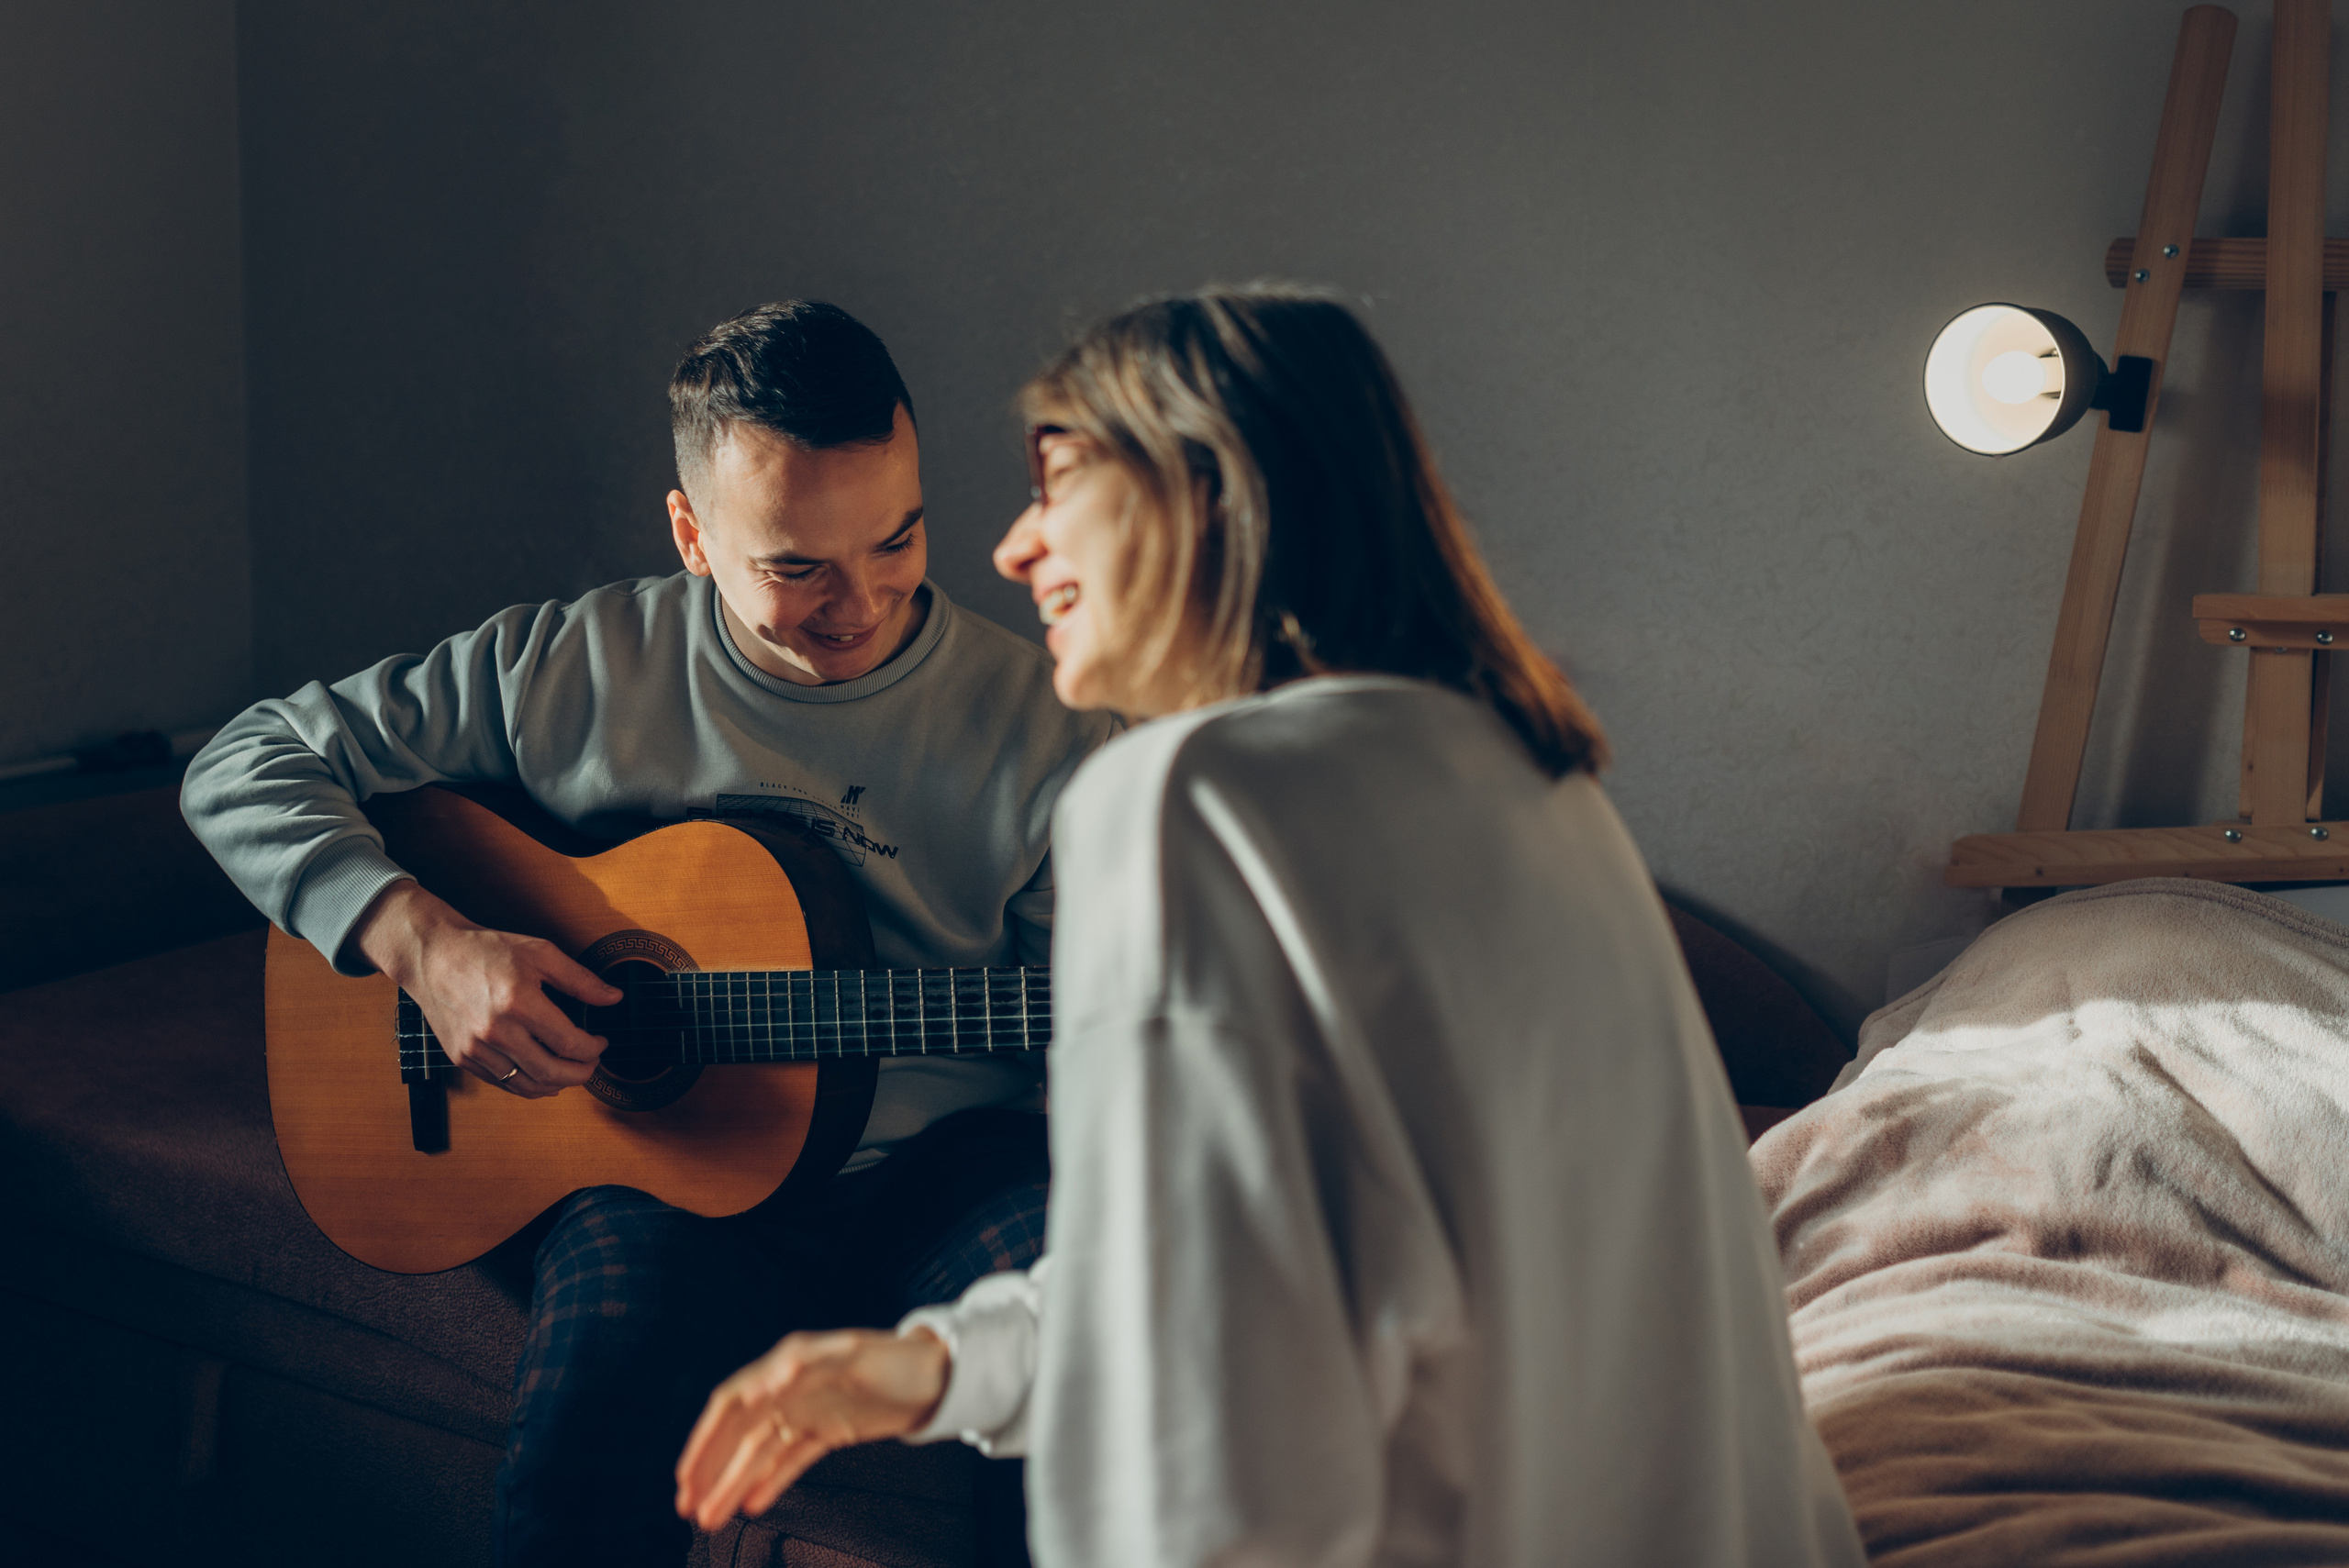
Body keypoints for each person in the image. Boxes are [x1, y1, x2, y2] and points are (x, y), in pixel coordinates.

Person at [672, 286, 1865, 1566]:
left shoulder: (1188, 791)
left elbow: (1212, 1408)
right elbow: (1230, 1262)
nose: (1013, 550)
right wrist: (940, 1366)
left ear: (1200, 501)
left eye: (1057, 485)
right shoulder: (1533, 782)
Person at [181, 301, 1114, 1566]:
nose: (861, 603)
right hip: (661, 1170)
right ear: (692, 536)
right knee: (589, 1446)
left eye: (897, 538)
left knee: (1096, 1372)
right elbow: (243, 760)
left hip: (946, 1177)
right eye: (797, 567)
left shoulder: (1052, 729)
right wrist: (424, 943)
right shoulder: (570, 666)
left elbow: (1112, 1051)